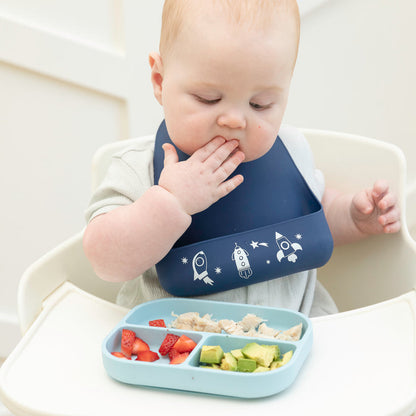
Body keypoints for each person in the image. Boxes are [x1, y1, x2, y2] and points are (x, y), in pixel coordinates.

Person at [82, 0, 400, 316]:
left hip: (298, 343)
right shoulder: (141, 169)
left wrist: (353, 217)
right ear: (160, 81)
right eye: (209, 98)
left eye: (260, 104)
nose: (235, 120)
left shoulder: (291, 150)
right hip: (178, 352)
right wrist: (169, 202)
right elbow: (104, 260)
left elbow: (307, 221)